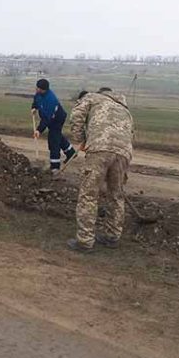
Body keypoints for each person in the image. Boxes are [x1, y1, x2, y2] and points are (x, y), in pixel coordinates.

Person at [68, 87, 134, 252]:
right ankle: (112, 236)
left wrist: (80, 140)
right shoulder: (124, 109)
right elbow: (132, 134)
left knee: (89, 194)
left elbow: (76, 116)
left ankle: (85, 241)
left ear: (100, 92)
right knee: (116, 196)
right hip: (124, 152)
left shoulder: (92, 98)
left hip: (99, 148)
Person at [31, 79, 76, 173]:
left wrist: (39, 130)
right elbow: (36, 100)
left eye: (39, 88)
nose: (37, 90)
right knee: (57, 135)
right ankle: (70, 152)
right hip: (50, 118)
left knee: (53, 140)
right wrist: (34, 107)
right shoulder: (38, 94)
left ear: (44, 89)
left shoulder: (51, 99)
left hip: (57, 119)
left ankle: (55, 167)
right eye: (37, 87)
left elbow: (47, 119)